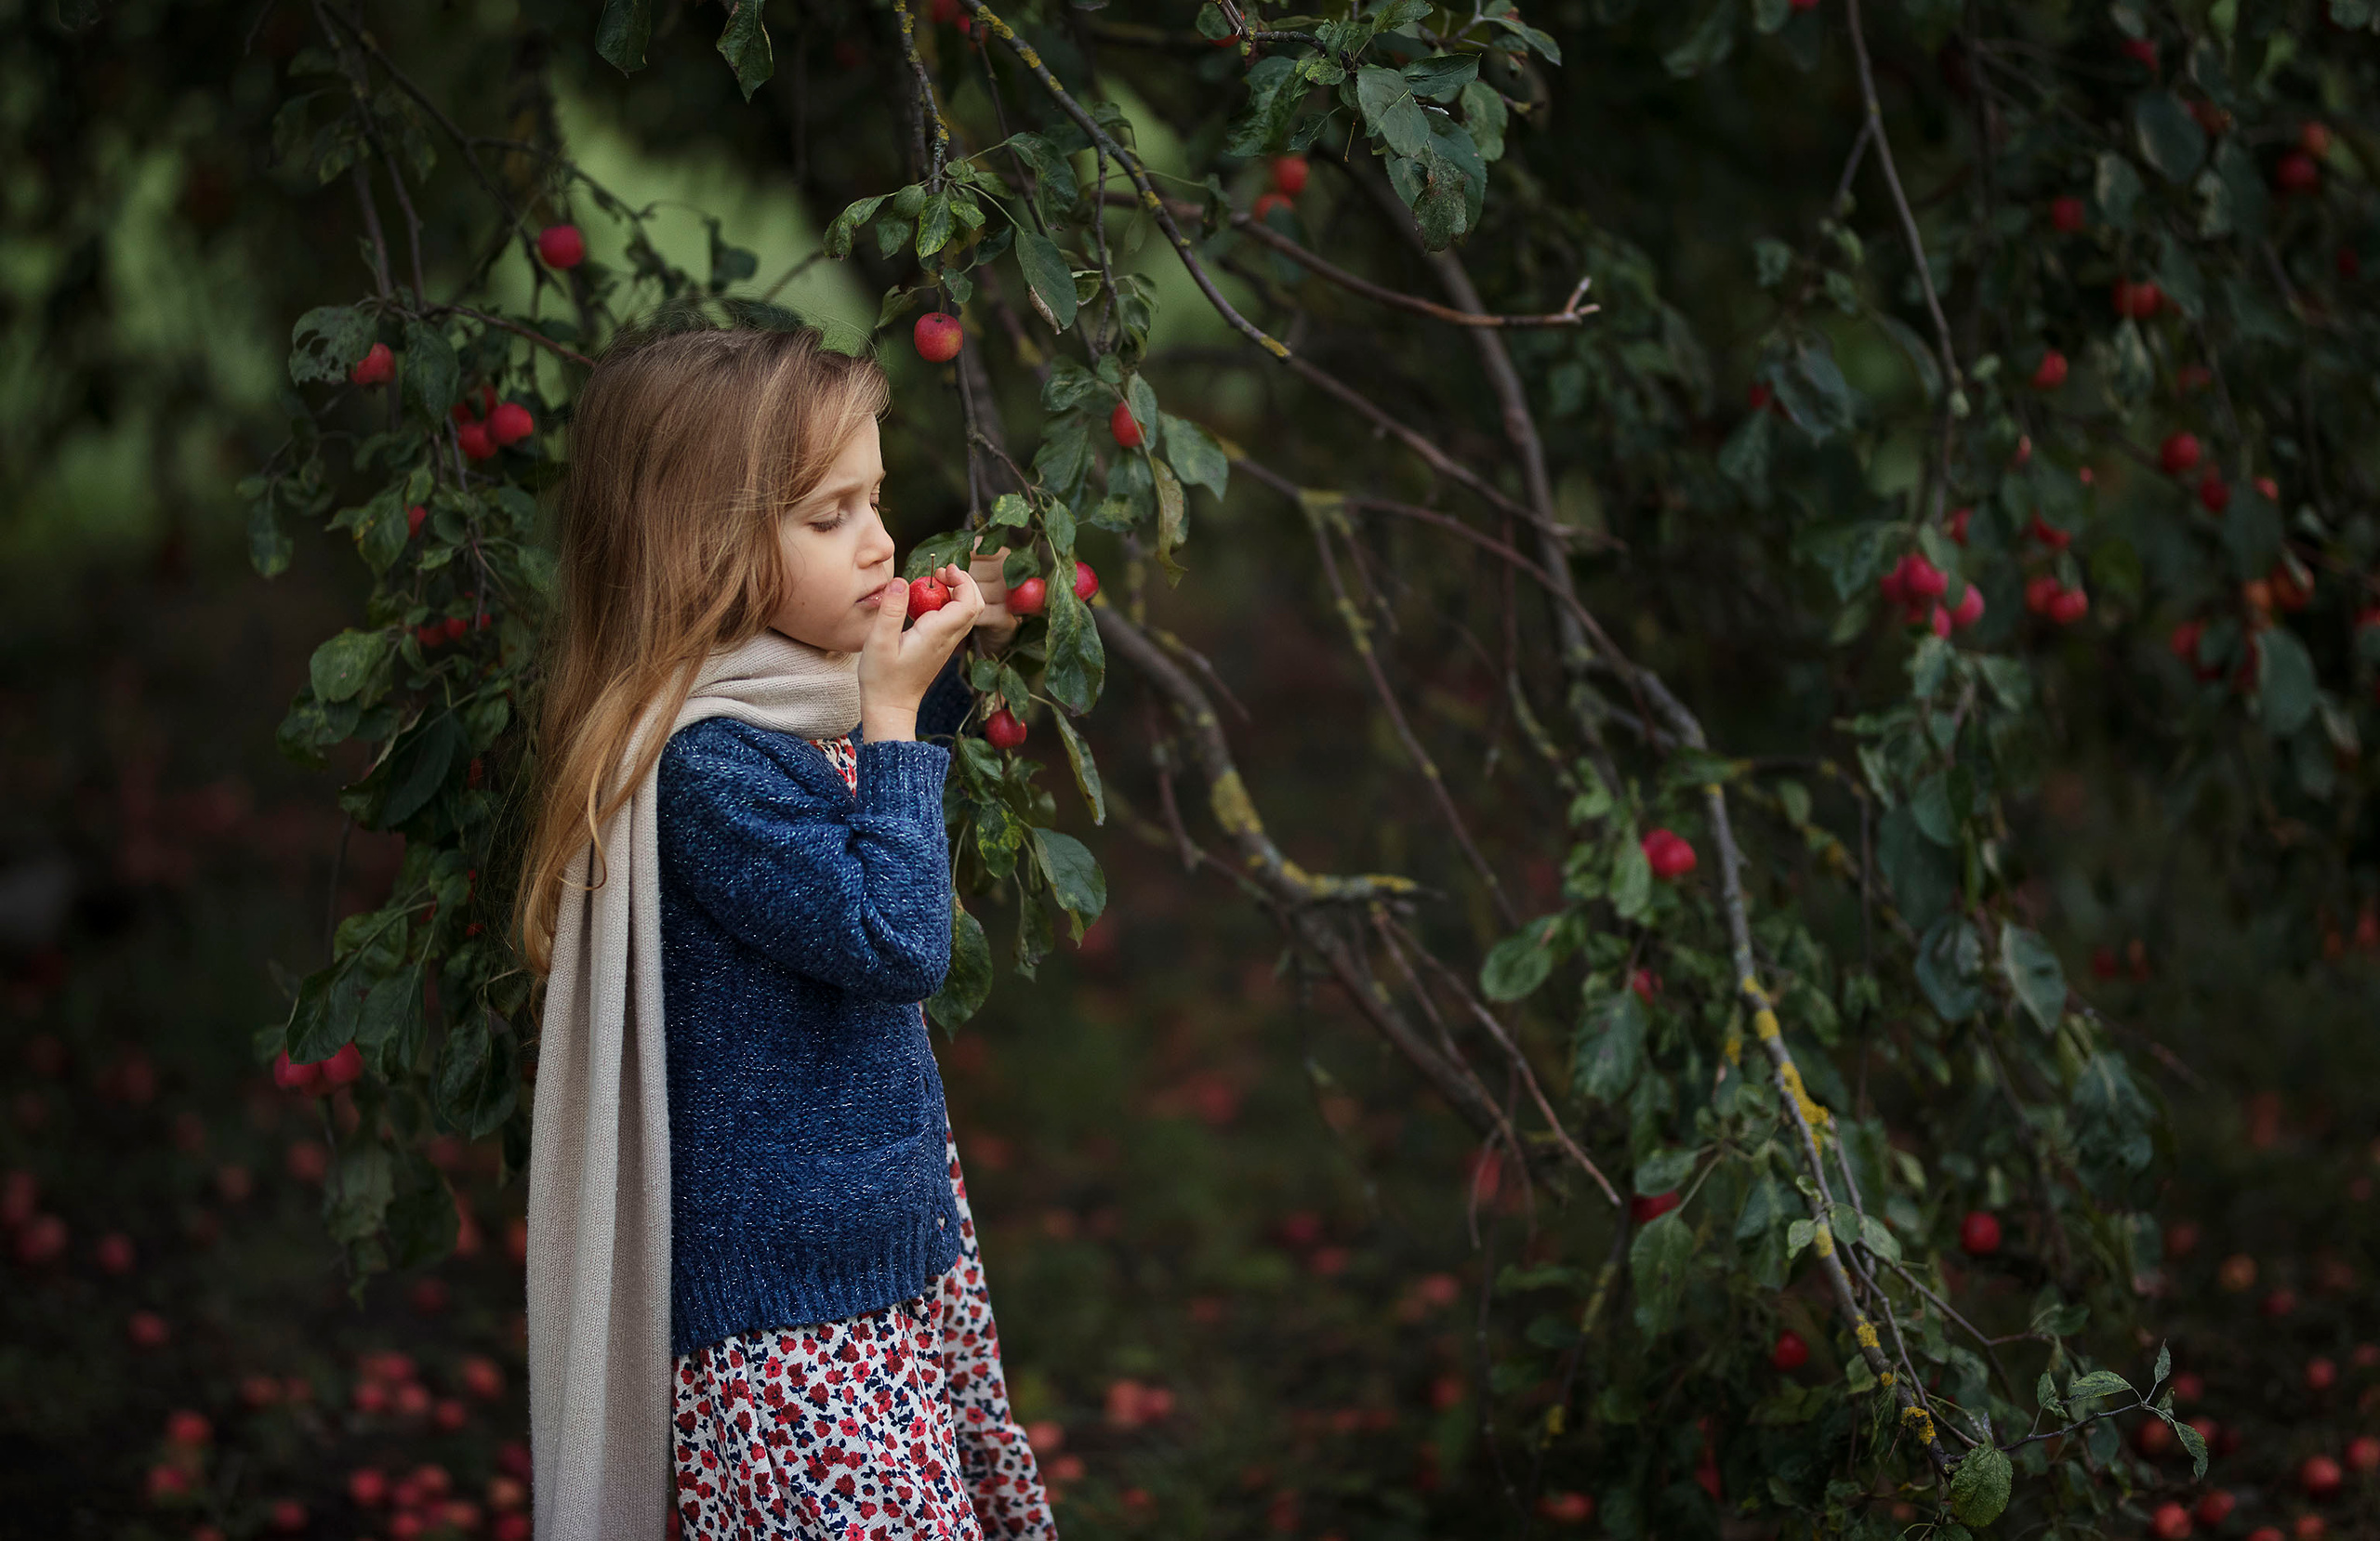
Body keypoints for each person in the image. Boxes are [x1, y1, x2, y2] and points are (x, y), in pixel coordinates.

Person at [511, 310, 1056, 1540]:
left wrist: (980, 630)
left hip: (893, 1259)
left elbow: (877, 731)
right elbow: (893, 938)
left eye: (876, 501)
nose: (877, 542)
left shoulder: (799, 698)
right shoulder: (711, 771)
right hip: (792, 1333)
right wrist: (899, 722)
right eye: (829, 517)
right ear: (701, 549)